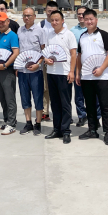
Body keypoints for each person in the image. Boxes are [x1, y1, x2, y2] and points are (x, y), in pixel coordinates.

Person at [75, 9, 108, 145]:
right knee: (90, 105)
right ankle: (92, 130)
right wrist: (78, 73)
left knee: (105, 106)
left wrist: (102, 68)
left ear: (96, 20)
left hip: (102, 77)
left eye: (91, 19)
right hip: (86, 77)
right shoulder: (82, 36)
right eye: (86, 19)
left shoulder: (103, 35)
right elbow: (79, 56)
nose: (89, 21)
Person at [44, 11, 78, 144]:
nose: (54, 22)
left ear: (62, 20)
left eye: (57, 20)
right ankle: (57, 129)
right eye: (52, 20)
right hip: (51, 73)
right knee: (55, 103)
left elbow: (73, 54)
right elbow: (46, 52)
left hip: (64, 73)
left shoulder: (69, 34)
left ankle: (66, 131)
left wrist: (71, 71)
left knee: (65, 103)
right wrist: (46, 60)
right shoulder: (49, 35)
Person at [16, 7, 46, 135]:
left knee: (38, 97)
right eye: (24, 15)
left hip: (36, 71)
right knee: (25, 98)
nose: (26, 18)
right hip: (22, 71)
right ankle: (28, 123)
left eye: (29, 15)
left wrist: (37, 65)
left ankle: (38, 123)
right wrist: (17, 67)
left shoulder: (40, 31)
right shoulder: (19, 30)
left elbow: (44, 51)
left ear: (34, 16)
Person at [0, 11, 20, 135]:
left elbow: (16, 52)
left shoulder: (12, 35)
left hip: (7, 71)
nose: (0, 24)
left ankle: (12, 124)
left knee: (9, 98)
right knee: (2, 98)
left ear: (8, 21)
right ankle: (7, 120)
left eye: (2, 22)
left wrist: (5, 65)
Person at [38, 1, 66, 122]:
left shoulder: (64, 26)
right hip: (46, 61)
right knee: (45, 87)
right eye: (49, 11)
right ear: (45, 11)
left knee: (60, 89)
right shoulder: (41, 25)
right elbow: (40, 44)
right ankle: (45, 111)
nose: (51, 13)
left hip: (60, 63)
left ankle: (63, 112)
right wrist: (44, 58)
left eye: (53, 11)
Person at [68, 6, 90, 128]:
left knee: (92, 92)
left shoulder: (93, 29)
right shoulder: (72, 31)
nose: (81, 16)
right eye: (79, 14)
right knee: (78, 92)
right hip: (77, 64)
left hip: (91, 64)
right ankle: (82, 115)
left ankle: (95, 116)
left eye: (83, 14)